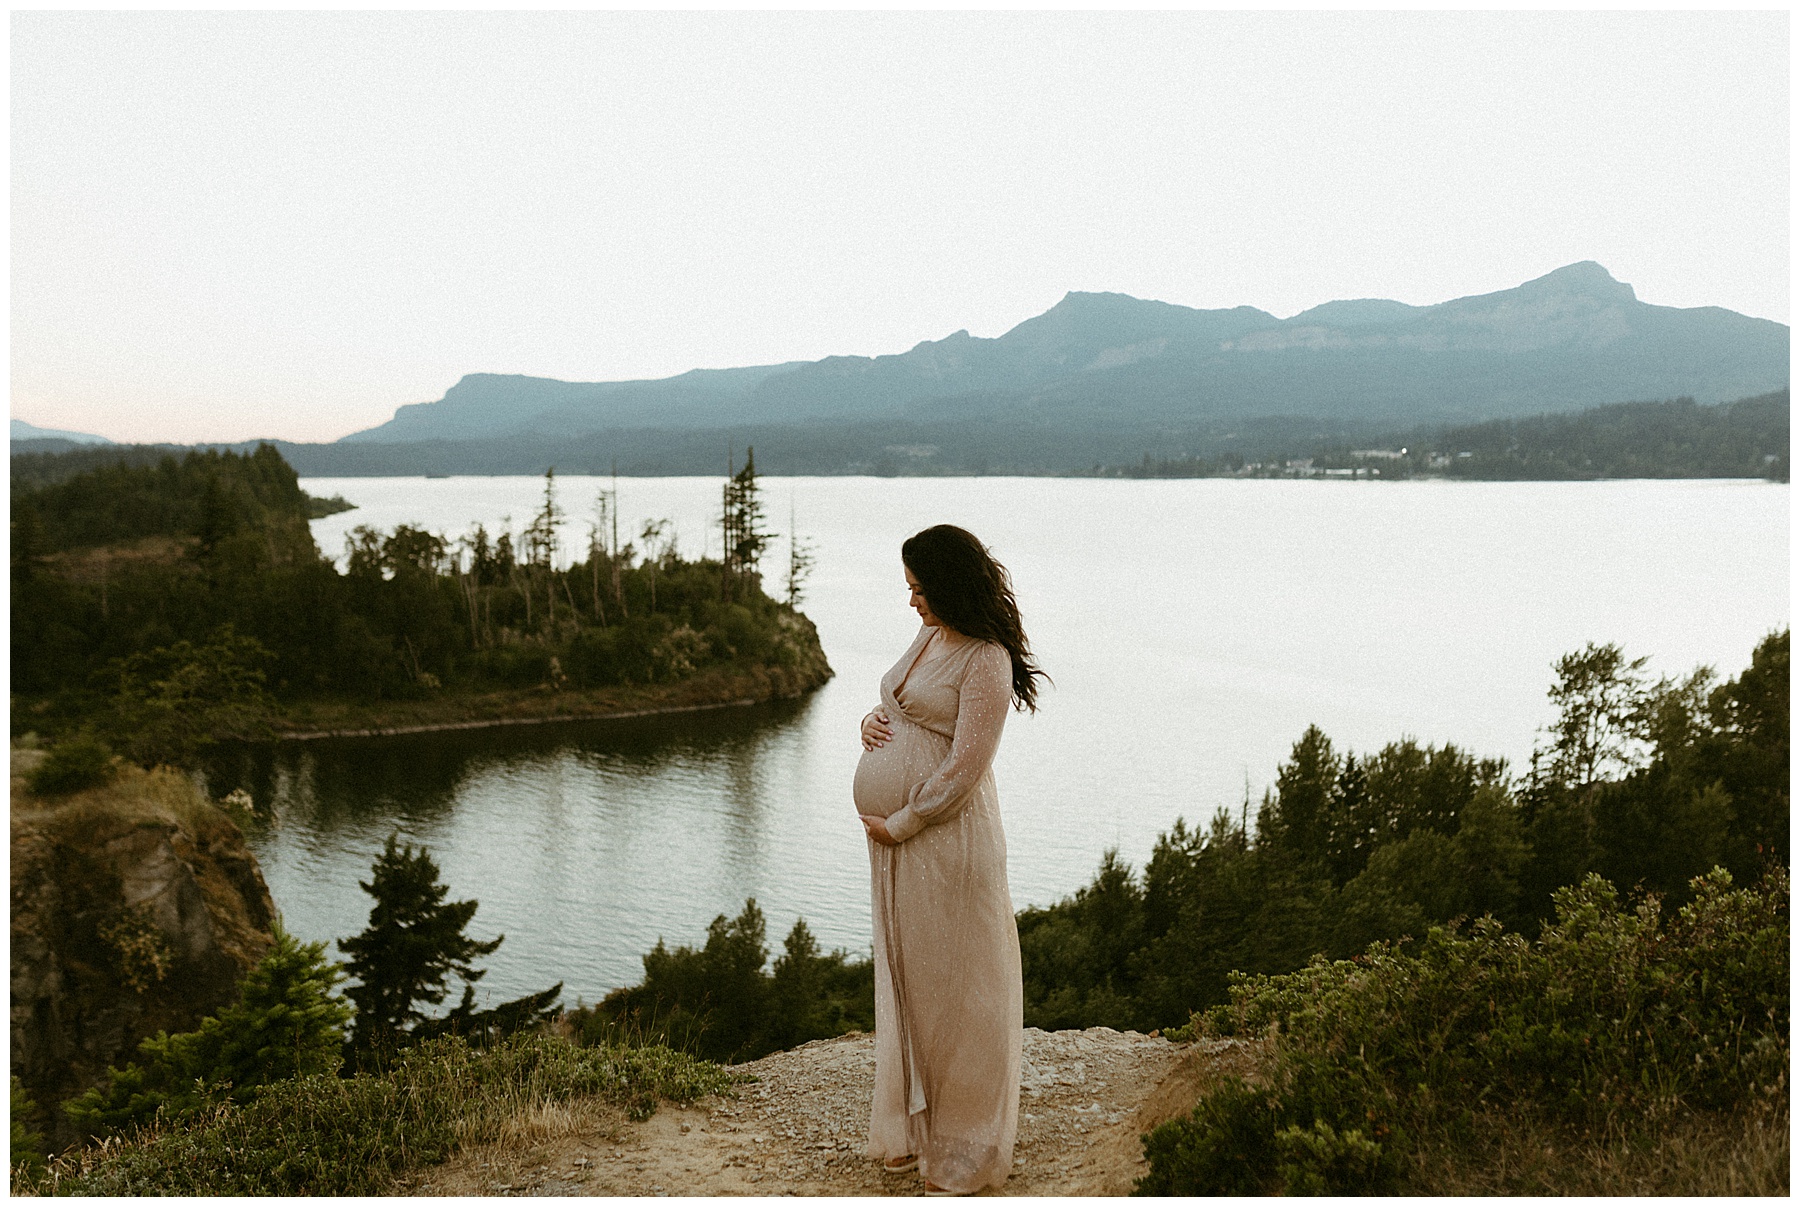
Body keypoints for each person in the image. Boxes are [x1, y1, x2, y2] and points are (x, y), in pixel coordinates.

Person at [854, 524, 1046, 1195]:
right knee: (914, 978)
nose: (912, 601)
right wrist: (871, 723)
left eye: (919, 588)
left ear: (949, 584)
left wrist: (902, 821)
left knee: (961, 989)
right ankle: (917, 1131)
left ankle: (966, 1149)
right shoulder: (934, 636)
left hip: (946, 843)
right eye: (909, 588)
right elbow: (902, 698)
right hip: (902, 843)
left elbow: (965, 766)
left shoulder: (985, 659)